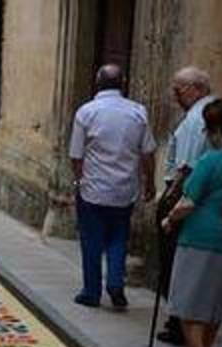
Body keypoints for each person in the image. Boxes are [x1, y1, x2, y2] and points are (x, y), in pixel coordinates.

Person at [159, 97, 222, 347]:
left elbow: (188, 202)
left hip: (200, 237)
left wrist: (169, 218)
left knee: (186, 302)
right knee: (214, 304)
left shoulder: (211, 160)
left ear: (216, 130)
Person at [67, 64, 157, 310]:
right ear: (123, 83)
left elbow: (76, 155)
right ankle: (116, 283)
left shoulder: (86, 112)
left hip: (93, 188)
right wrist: (150, 182)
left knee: (92, 240)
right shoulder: (138, 112)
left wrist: (78, 180)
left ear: (98, 82)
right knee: (119, 237)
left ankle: (91, 291)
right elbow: (148, 152)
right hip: (125, 189)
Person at [157, 66, 216, 346]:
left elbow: (186, 168)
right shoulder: (207, 112)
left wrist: (170, 206)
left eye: (179, 89)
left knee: (176, 265)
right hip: (202, 200)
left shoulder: (196, 119)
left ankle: (179, 322)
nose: (175, 94)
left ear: (197, 88)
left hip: (184, 196)